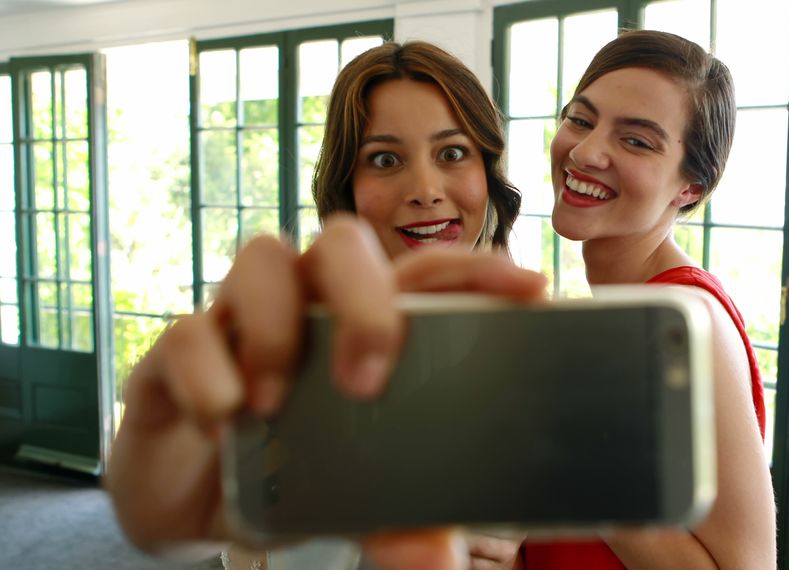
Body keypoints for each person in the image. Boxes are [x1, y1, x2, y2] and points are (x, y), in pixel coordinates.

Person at [105, 40, 544, 570]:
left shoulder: (537, 353)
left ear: (488, 172)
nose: (425, 189)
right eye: (384, 159)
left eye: (452, 153)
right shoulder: (286, 356)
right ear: (348, 188)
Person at [521, 29, 777, 569]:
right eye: (581, 119)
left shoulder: (684, 323)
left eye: (636, 140)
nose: (586, 151)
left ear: (691, 188)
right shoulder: (621, 317)